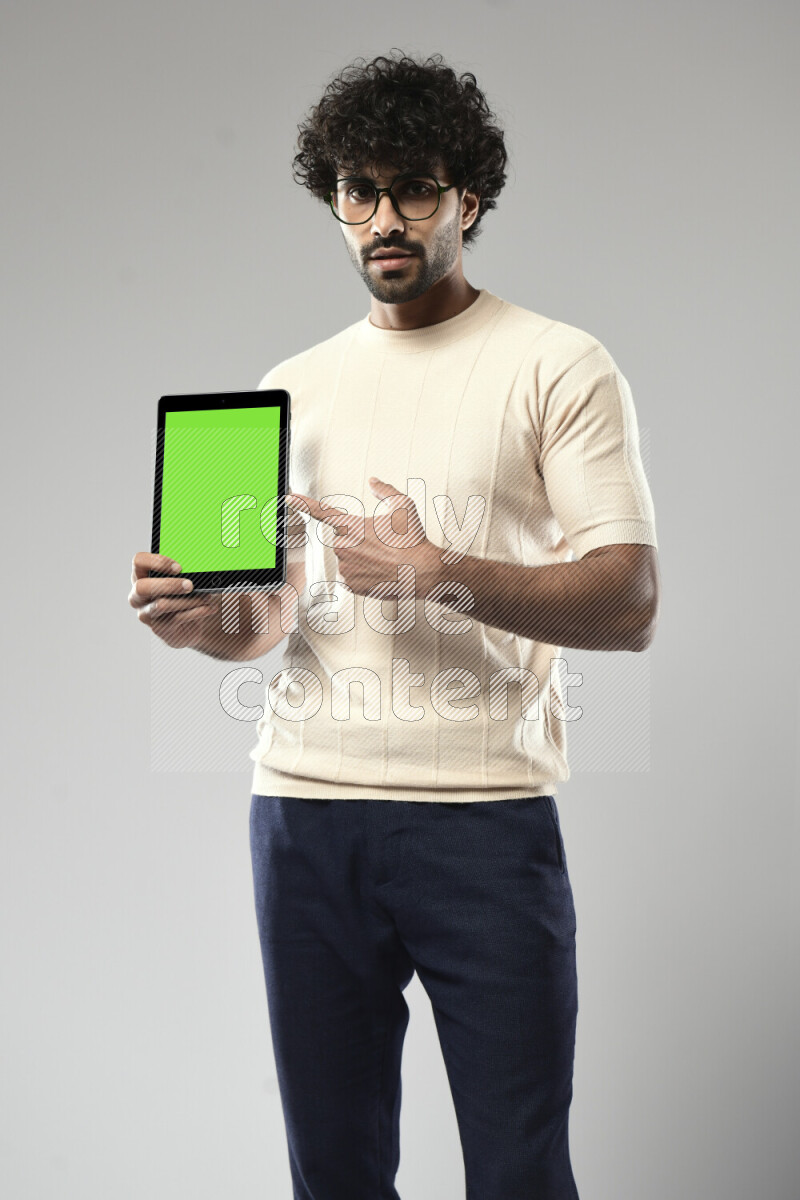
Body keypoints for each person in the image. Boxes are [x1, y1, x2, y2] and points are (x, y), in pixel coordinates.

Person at [129, 50, 661, 1200]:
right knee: (334, 1175)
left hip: (481, 828)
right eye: (356, 191)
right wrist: (197, 625)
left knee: (519, 1175)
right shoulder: (293, 385)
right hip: (303, 824)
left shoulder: (555, 366)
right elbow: (267, 618)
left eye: (412, 189)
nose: (382, 218)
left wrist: (437, 577)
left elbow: (627, 601)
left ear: (466, 198)